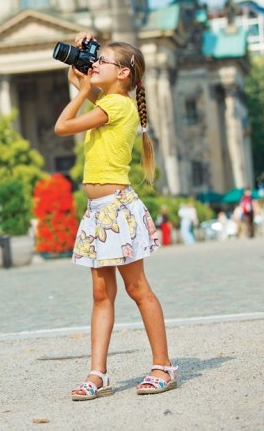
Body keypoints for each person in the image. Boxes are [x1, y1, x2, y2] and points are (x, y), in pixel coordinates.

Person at [54, 33, 176, 400]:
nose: (95, 66)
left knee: (138, 289)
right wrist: (82, 62)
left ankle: (163, 366)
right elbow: (77, 79)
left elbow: (63, 126)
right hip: (97, 211)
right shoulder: (109, 100)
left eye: (102, 61)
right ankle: (98, 374)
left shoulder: (117, 106)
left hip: (117, 209)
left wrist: (81, 90)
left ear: (123, 73)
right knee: (101, 294)